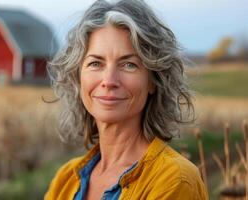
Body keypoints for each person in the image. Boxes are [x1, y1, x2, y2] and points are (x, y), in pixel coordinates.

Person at [44, 0, 208, 199]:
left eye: (129, 65)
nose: (109, 81)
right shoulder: (65, 180)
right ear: (78, 78)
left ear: (153, 81)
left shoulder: (174, 180)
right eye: (96, 63)